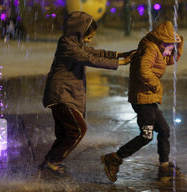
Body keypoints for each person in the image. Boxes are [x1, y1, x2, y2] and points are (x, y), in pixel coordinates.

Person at [39, 11, 135, 177]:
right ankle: (53, 162)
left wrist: (121, 54)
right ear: (79, 31)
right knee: (77, 130)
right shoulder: (67, 45)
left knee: (64, 135)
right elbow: (90, 59)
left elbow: (95, 53)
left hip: (65, 95)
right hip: (61, 96)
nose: (89, 40)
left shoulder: (75, 44)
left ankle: (47, 165)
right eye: (88, 36)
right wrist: (121, 63)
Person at [101, 21, 184, 182]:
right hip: (143, 99)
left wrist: (177, 45)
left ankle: (164, 167)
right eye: (169, 48)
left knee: (164, 130)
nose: (170, 53)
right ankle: (114, 158)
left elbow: (169, 59)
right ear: (161, 44)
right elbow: (143, 71)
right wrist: (156, 85)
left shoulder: (157, 49)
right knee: (146, 136)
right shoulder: (149, 49)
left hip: (148, 98)